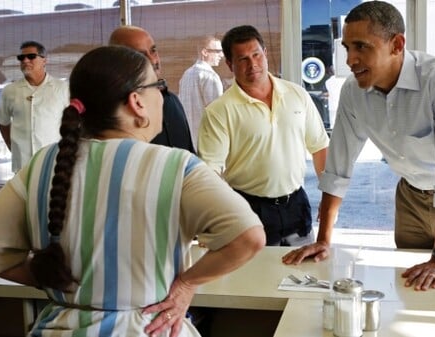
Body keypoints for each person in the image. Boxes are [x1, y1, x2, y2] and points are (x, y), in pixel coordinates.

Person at [0, 45, 265, 336]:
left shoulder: (43, 163)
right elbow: (249, 237)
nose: (162, 97)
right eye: (159, 87)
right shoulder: (175, 166)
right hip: (146, 326)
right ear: (136, 101)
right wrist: (186, 284)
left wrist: (56, 281)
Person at [282, 1, 435, 324]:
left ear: (397, 44)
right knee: (412, 293)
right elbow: (338, 169)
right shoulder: (354, 93)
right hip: (411, 199)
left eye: (361, 47)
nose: (349, 60)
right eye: (346, 47)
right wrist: (324, 240)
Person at [198, 25, 329, 247]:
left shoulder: (297, 94)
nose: (253, 64)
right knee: (255, 277)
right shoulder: (219, 111)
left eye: (256, 54)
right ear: (230, 64)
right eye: (242, 59)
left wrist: (328, 198)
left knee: (303, 274)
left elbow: (319, 147)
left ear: (265, 53)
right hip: (249, 207)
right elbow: (210, 172)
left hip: (296, 203)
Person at [109, 25, 196, 153]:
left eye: (153, 50)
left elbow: (189, 154)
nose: (152, 60)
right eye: (141, 55)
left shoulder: (172, 101)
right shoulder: (116, 113)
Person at [0, 40, 69, 172]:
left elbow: (72, 122)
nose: (25, 61)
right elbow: (3, 122)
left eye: (31, 56)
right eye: (21, 58)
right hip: (23, 164)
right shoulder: (10, 90)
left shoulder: (62, 89)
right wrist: (13, 147)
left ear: (44, 60)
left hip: (53, 161)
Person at [178, 35, 224, 148]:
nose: (221, 55)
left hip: (188, 142)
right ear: (205, 52)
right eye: (218, 51)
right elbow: (218, 115)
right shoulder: (210, 76)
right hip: (207, 144)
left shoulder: (186, 75)